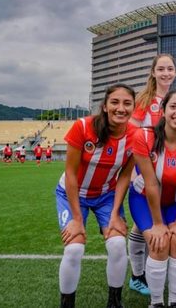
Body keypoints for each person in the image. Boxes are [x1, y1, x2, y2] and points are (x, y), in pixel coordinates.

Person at [55, 83, 137, 308]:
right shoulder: (83, 127)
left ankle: (114, 302)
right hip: (73, 193)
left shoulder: (135, 136)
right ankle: (67, 304)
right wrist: (76, 219)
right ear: (104, 106)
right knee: (74, 248)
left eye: (127, 103)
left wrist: (114, 214)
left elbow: (124, 177)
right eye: (115, 102)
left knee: (119, 245)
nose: (121, 108)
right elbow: (71, 174)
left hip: (106, 196)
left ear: (133, 107)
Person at [129, 89, 176, 308]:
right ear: (163, 110)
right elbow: (151, 183)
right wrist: (157, 224)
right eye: (173, 106)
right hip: (145, 199)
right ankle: (156, 303)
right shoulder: (144, 136)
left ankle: (174, 301)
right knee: (159, 243)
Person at [128, 54, 176, 297]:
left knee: (155, 224)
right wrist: (131, 175)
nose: (166, 73)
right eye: (161, 69)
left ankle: (148, 272)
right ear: (153, 72)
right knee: (142, 224)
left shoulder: (175, 100)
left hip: (168, 170)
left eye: (170, 69)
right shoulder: (144, 100)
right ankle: (138, 275)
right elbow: (131, 137)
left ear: (175, 72)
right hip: (144, 170)